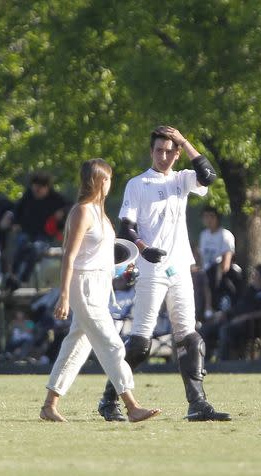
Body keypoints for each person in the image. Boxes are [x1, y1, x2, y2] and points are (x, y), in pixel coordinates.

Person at [97, 125, 231, 422]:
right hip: (151, 268)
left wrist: (184, 139)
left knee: (190, 337)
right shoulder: (138, 183)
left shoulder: (183, 180)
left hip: (180, 267)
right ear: (151, 151)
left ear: (178, 153)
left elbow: (208, 175)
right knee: (141, 344)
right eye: (159, 150)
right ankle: (109, 399)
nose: (164, 156)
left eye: (171, 151)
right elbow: (126, 228)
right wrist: (143, 248)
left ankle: (198, 403)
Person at [40, 158, 161, 423]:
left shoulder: (101, 214)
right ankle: (131, 405)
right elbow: (69, 257)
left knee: (76, 346)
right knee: (112, 343)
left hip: (99, 286)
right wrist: (63, 296)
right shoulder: (82, 211)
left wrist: (120, 271)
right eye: (106, 178)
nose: (109, 183)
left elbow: (100, 256)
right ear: (97, 181)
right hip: (82, 286)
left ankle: (50, 404)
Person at [6, 172, 69, 289]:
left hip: (44, 236)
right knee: (21, 245)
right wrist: (15, 223)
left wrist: (62, 212)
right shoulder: (28, 195)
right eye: (35, 189)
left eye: (40, 190)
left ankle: (24, 279)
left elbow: (69, 206)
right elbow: (17, 210)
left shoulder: (54, 198)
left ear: (46, 188)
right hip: (27, 232)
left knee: (35, 249)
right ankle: (13, 275)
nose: (37, 192)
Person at [199, 206, 237, 314]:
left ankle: (209, 307)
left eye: (211, 216)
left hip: (219, 273)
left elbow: (226, 262)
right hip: (205, 271)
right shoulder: (203, 235)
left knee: (210, 276)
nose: (209, 220)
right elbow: (202, 258)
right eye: (206, 217)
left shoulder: (225, 235)